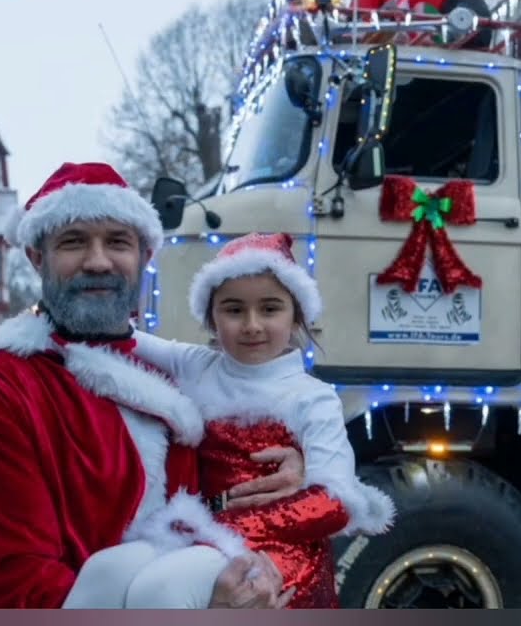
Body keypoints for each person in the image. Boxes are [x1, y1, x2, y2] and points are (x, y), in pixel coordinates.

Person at [0, 162, 306, 609]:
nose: (98, 261)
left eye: (118, 242)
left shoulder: (174, 374)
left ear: (144, 256)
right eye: (73, 241)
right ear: (36, 256)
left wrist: (293, 465)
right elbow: (17, 589)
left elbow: (222, 492)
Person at [77, 232, 396, 609]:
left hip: (279, 554)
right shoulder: (199, 365)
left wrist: (221, 528)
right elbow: (121, 339)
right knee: (106, 570)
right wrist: (33, 333)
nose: (252, 325)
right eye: (233, 310)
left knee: (162, 588)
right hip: (199, 534)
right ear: (211, 317)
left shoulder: (312, 397)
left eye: (270, 308)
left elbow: (336, 502)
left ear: (297, 316)